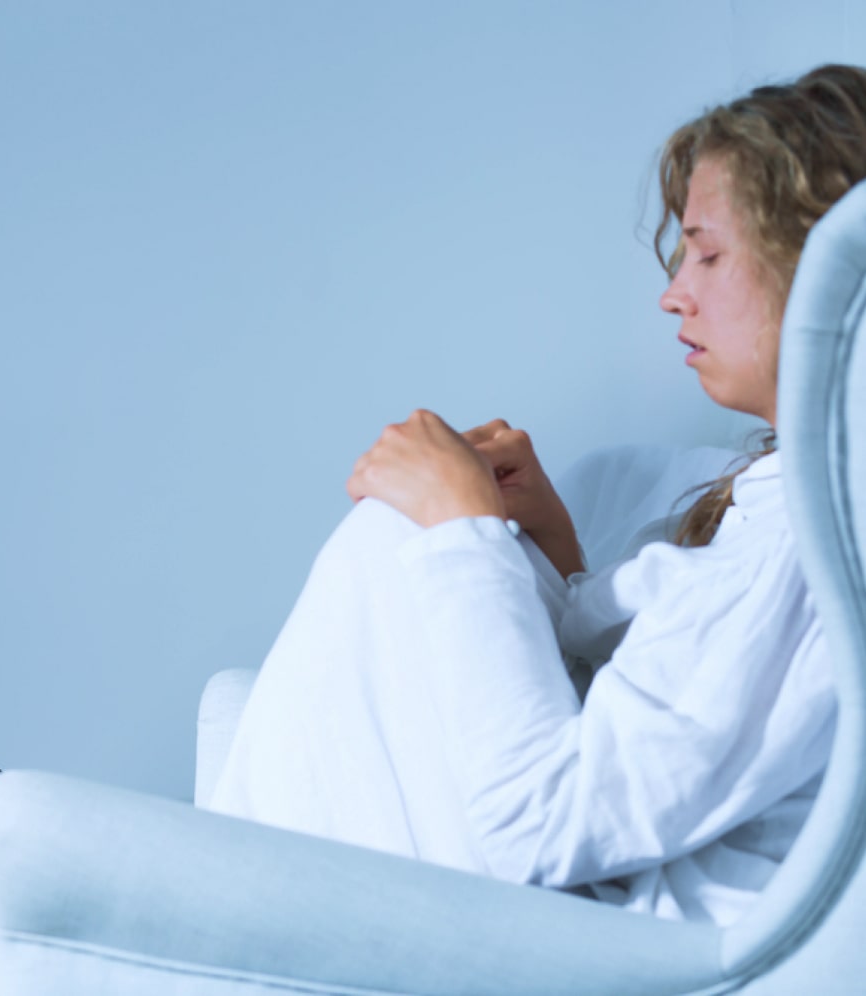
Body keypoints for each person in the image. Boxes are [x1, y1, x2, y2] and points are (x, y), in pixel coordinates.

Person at [207, 64, 866, 926]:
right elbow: (652, 737)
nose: (674, 294)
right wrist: (549, 545)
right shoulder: (792, 510)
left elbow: (546, 822)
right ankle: (201, 925)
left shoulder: (816, 554)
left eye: (708, 254)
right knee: (398, 536)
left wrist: (463, 532)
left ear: (827, 272)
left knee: (398, 537)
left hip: (606, 936)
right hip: (583, 898)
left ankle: (193, 933)